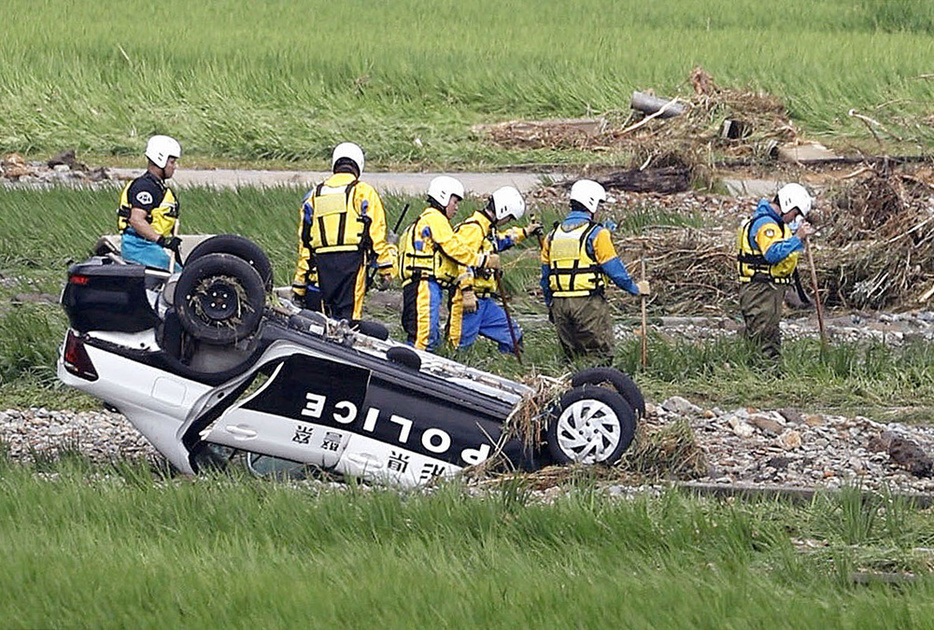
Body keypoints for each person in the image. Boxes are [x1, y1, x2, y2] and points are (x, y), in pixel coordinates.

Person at [540, 179, 649, 359]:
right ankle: (597, 386)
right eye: (598, 205)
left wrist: (550, 306)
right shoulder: (597, 234)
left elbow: (545, 278)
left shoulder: (552, 236)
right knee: (600, 356)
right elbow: (614, 269)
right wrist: (635, 288)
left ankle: (574, 386)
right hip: (587, 304)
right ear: (591, 204)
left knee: (573, 358)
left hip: (559, 305)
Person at [292, 142, 396, 320]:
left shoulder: (314, 196)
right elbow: (376, 234)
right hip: (352, 263)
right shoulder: (363, 192)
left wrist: (299, 286)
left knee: (325, 320)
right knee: (349, 319)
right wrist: (387, 270)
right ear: (358, 165)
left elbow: (305, 245)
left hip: (321, 265)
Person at [398, 176, 500, 350]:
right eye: (455, 202)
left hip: (417, 284)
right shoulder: (436, 218)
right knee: (424, 337)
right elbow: (453, 248)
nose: (457, 207)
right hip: (423, 284)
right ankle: (416, 372)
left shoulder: (422, 220)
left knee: (422, 334)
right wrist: (481, 260)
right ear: (443, 197)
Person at [446, 186, 541, 353]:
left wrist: (525, 232)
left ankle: (507, 369)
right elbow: (462, 260)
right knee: (458, 348)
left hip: (485, 302)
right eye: (509, 218)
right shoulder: (473, 228)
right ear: (503, 211)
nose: (508, 222)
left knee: (513, 336)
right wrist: (467, 291)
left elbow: (502, 240)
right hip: (469, 300)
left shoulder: (487, 229)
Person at [736, 182, 813, 359]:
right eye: (794, 214)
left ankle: (760, 373)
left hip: (768, 288)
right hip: (761, 289)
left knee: (766, 334)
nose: (793, 220)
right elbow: (772, 253)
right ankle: (767, 375)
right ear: (787, 204)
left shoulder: (775, 224)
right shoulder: (766, 225)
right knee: (765, 338)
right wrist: (798, 238)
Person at [117, 135, 182, 270]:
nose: (175, 167)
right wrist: (162, 240)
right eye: (172, 162)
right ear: (161, 160)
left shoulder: (156, 186)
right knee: (180, 277)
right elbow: (136, 219)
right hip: (139, 246)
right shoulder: (146, 187)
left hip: (149, 245)